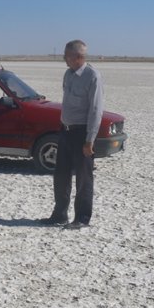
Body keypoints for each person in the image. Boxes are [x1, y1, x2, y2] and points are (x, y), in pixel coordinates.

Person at [44, 39, 104, 228]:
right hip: (66, 131)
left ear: (78, 57)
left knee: (83, 178)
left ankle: (82, 219)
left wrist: (89, 140)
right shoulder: (68, 75)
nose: (64, 59)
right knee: (61, 175)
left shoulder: (92, 76)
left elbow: (96, 110)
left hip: (82, 134)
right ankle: (59, 214)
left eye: (66, 55)